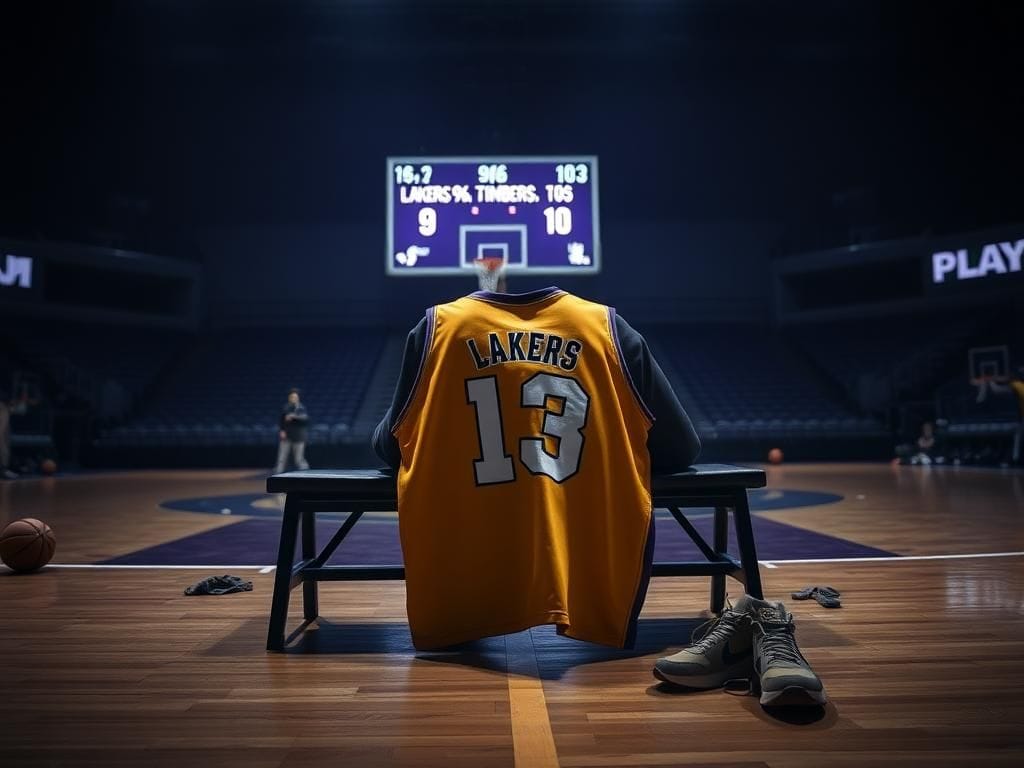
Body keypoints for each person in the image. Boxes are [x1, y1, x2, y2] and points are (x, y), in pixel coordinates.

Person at [274, 388, 310, 473]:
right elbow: (281, 421)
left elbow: (305, 419)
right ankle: (277, 474)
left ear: (298, 398)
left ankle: (306, 473)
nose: (293, 398)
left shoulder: (301, 408)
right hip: (287, 435)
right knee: (282, 458)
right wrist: (282, 431)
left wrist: (293, 416)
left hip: (299, 436)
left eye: (294, 397)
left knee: (299, 458)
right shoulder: (285, 407)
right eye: (291, 397)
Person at [0, 389, 17, 479]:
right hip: (3, 404)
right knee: (2, 438)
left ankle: (3, 469)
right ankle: (3, 469)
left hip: (4, 404)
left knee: (4, 438)